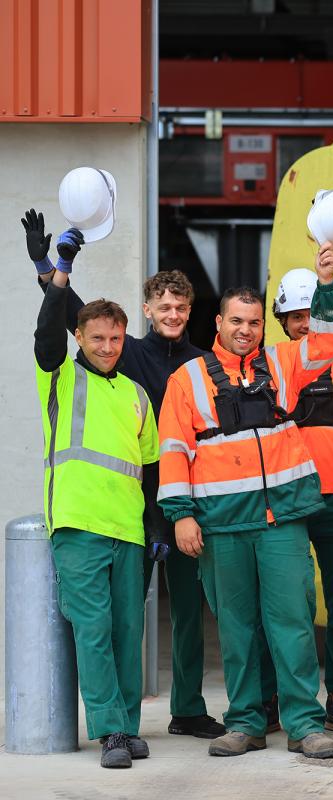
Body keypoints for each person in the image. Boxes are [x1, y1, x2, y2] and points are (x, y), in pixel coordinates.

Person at [21, 209, 224, 740]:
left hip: (179, 502)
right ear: (148, 311)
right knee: (109, 624)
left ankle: (186, 708)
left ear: (189, 311)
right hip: (124, 506)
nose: (174, 313)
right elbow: (76, 319)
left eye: (182, 307)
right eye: (165, 306)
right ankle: (115, 727)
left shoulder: (205, 363)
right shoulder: (127, 354)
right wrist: (49, 266)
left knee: (183, 613)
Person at [158, 245, 333, 760]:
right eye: (237, 320)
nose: (246, 329)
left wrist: (327, 284)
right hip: (221, 525)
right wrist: (181, 516)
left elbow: (331, 341)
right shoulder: (187, 380)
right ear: (218, 322)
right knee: (238, 629)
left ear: (265, 326)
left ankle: (305, 724)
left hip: (281, 520)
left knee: (293, 620)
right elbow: (174, 450)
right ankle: (245, 723)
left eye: (255, 322)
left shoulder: (284, 362)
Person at [34, 234, 163, 768]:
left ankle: (128, 726)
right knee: (92, 631)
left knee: (126, 632)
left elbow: (150, 469)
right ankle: (109, 730)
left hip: (129, 531)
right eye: (96, 338)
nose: (107, 346)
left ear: (124, 336)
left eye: (114, 338)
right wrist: (57, 271)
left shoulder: (136, 395)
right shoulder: (60, 376)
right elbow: (46, 335)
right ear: (81, 338)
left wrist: (156, 525)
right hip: (79, 526)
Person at [272, 267, 333, 732]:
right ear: (282, 321)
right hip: (287, 495)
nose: (306, 323)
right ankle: (281, 698)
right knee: (290, 603)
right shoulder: (273, 363)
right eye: (296, 316)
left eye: (313, 315)